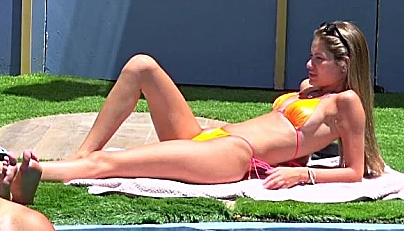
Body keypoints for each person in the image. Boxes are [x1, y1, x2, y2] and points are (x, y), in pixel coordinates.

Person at [20, 21, 385, 190]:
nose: (309, 65)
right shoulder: (309, 90)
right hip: (207, 138)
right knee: (141, 66)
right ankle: (79, 156)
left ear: (345, 65)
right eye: (311, 55)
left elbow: (354, 171)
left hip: (232, 156)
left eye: (319, 59)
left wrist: (301, 175)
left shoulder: (347, 103)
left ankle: (29, 171)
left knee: (111, 164)